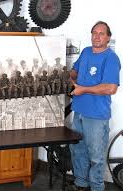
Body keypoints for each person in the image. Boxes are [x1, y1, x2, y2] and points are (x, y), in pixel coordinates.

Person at [69, 21, 121, 191]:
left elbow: (111, 88)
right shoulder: (85, 52)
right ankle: (81, 184)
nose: (97, 36)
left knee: (96, 157)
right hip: (79, 112)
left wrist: (83, 89)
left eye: (101, 33)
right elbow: (75, 71)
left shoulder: (111, 58)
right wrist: (70, 76)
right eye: (94, 33)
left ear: (108, 37)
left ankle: (97, 187)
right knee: (78, 151)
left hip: (97, 116)